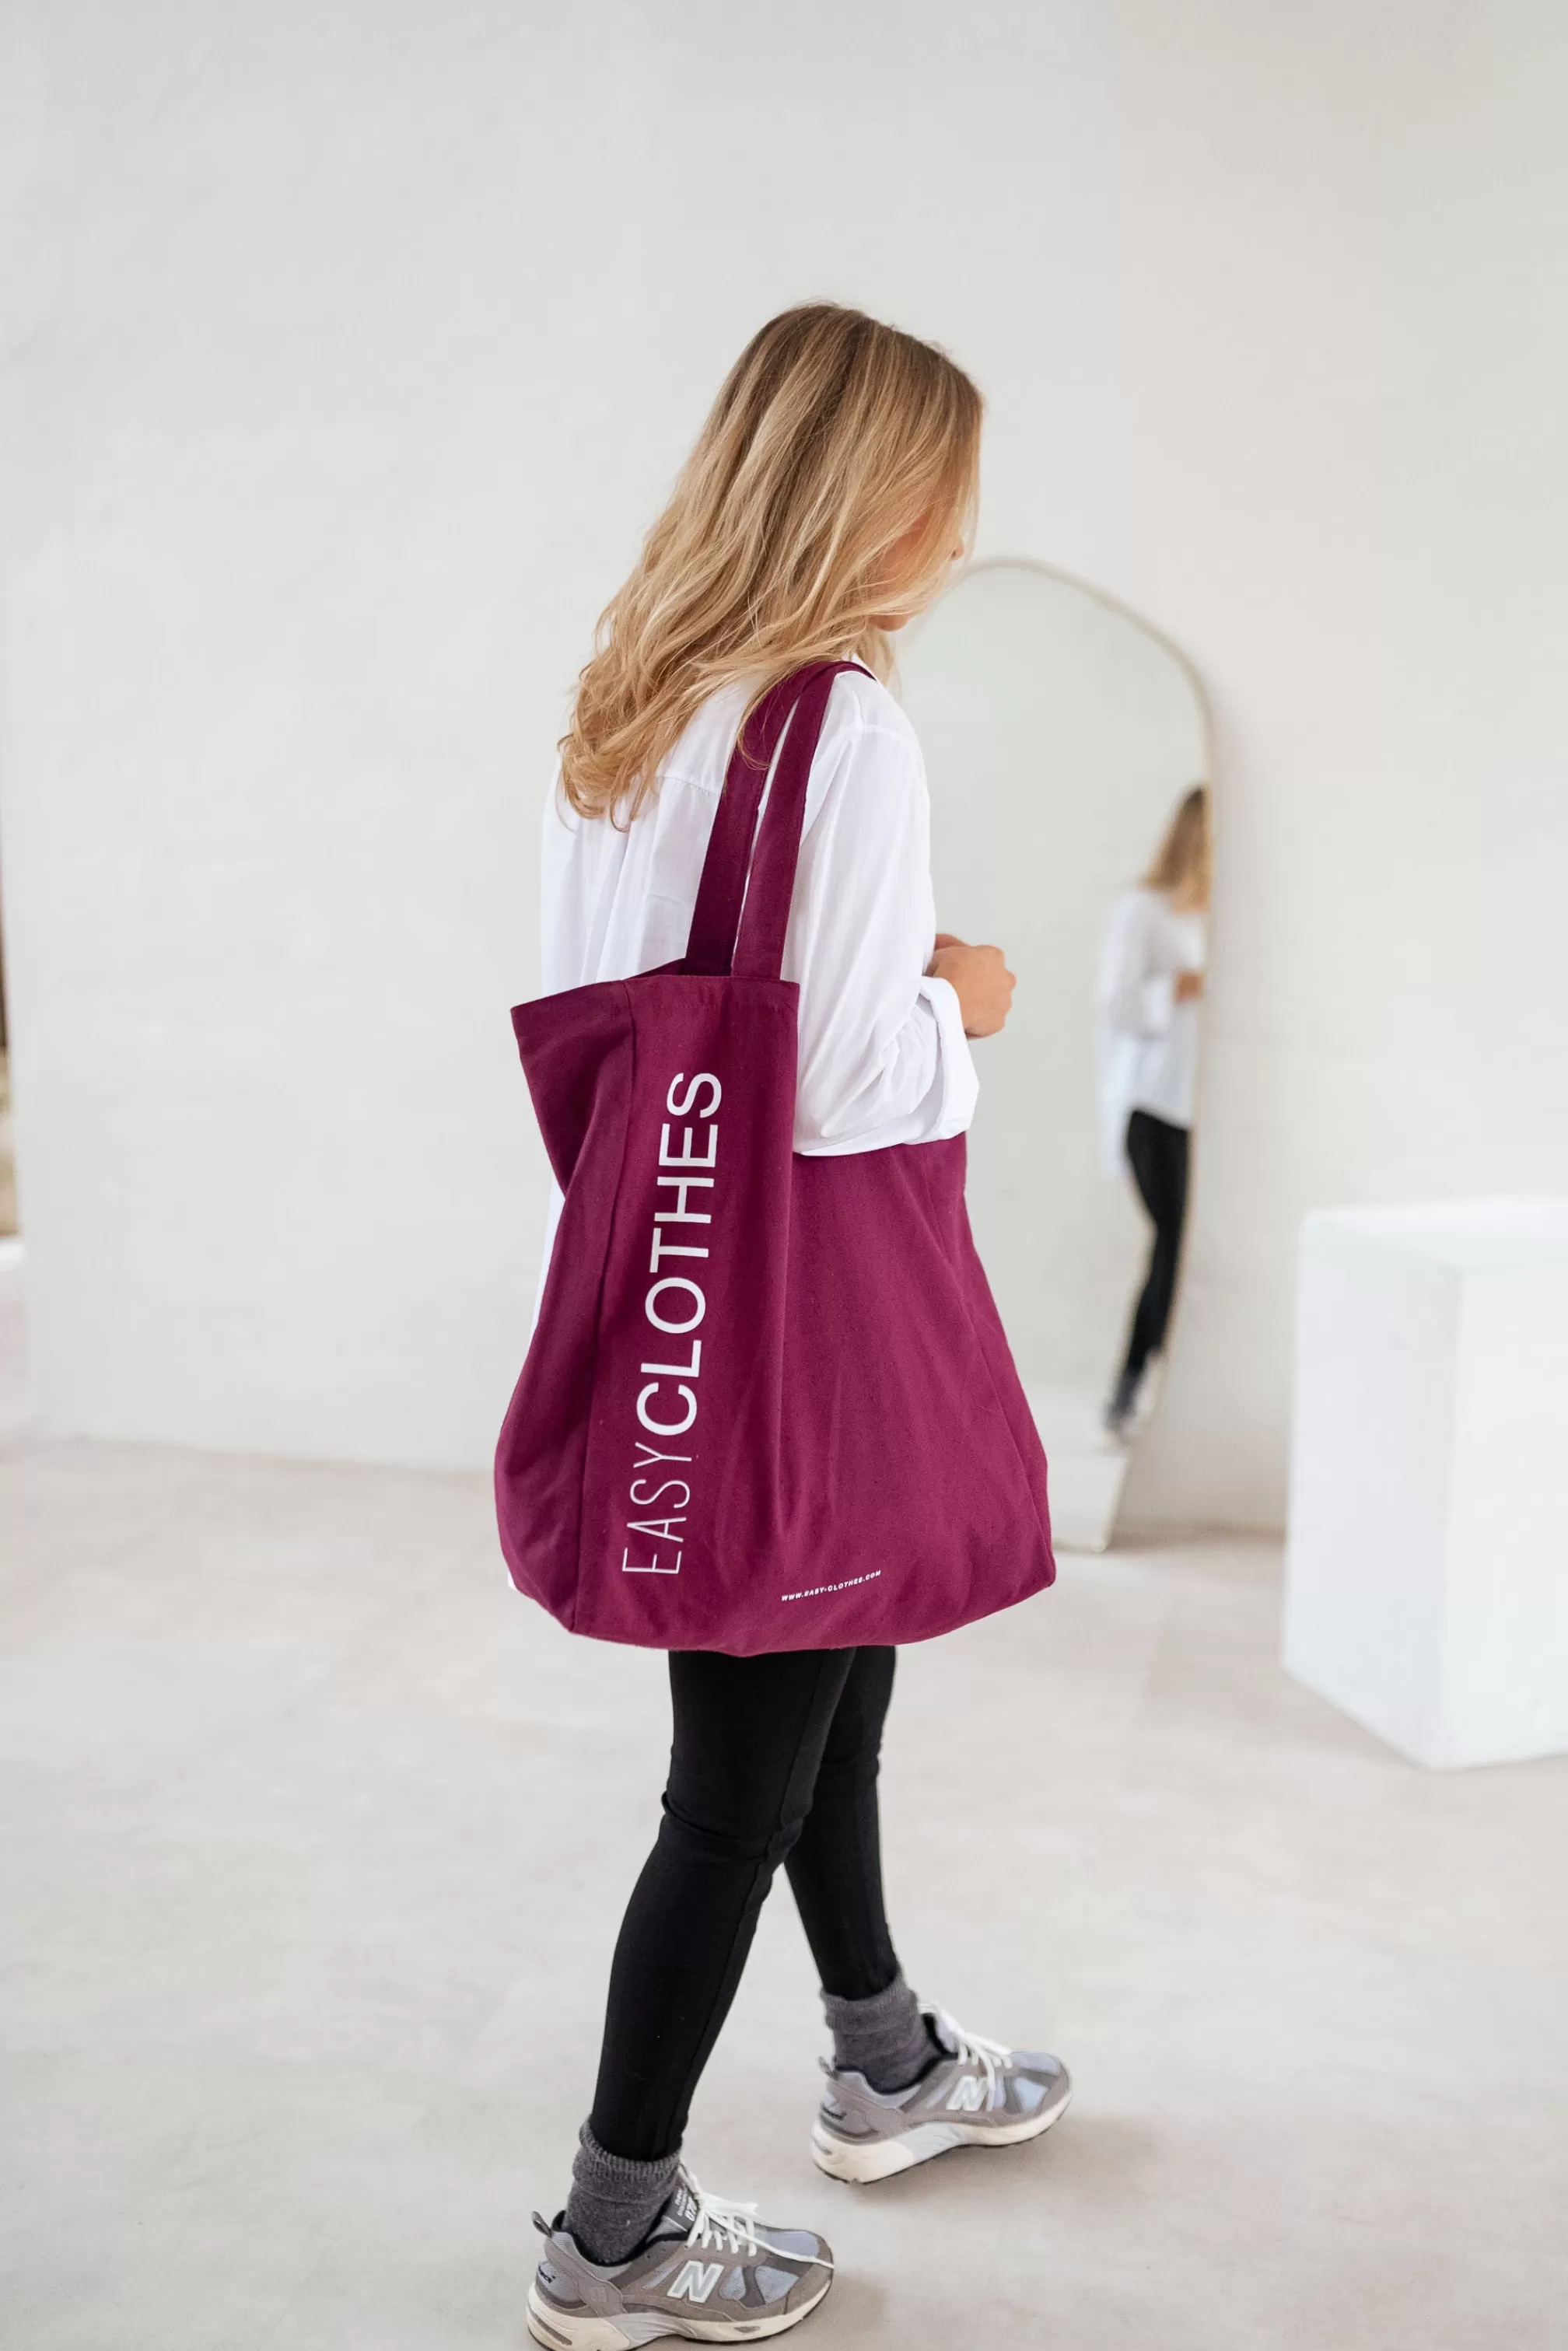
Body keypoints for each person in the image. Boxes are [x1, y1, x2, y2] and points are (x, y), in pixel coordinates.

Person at [524, 306, 1071, 2351]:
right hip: (798, 1321)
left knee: (833, 1667)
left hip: (672, 1293)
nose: (961, 532)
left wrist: (869, 974)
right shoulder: (842, 725)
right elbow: (838, 1082)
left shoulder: (631, 694)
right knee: (734, 1788)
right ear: (872, 492)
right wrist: (963, 1003)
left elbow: (629, 1018)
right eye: (948, 490)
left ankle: (885, 2050)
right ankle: (613, 2226)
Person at [1096, 785, 1212, 1438]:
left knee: (1190, 1249)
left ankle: (1158, 1389)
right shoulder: (1142, 910)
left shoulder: (1227, 917)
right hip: (1155, 1107)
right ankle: (1135, 1386)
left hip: (1208, 1114)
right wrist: (1179, 987)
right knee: (1175, 1244)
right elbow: (1114, 1003)